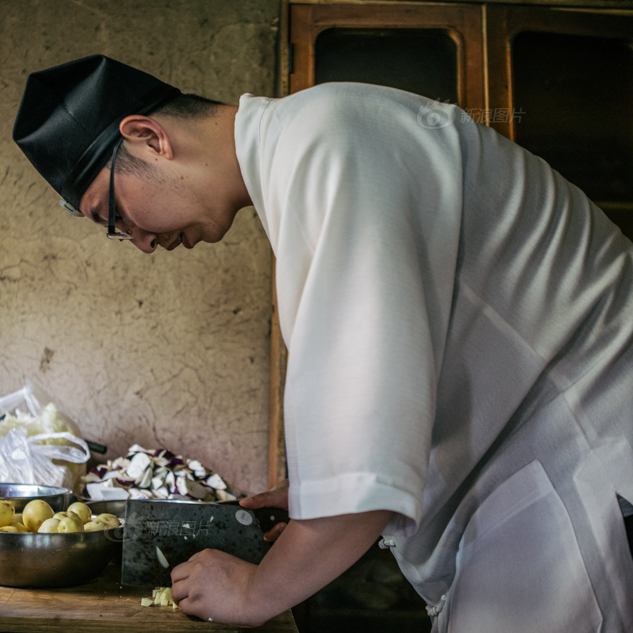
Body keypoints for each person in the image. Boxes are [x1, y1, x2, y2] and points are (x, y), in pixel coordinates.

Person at [12, 55, 633, 632]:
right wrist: (316, 492)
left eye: (114, 217)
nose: (141, 243)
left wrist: (256, 591)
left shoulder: (329, 142)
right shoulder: (314, 143)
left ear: (149, 137)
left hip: (599, 470)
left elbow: (367, 433)